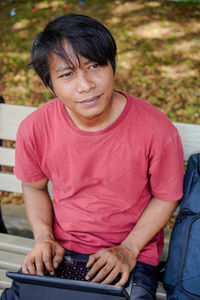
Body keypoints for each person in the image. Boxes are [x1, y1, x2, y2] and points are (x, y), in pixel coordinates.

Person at [1, 13, 184, 300]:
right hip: (61, 250)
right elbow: (34, 186)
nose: (85, 85)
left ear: (113, 66)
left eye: (94, 66)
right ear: (50, 85)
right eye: (66, 74)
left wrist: (129, 248)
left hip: (131, 253)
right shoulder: (36, 128)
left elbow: (167, 195)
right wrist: (43, 238)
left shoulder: (157, 130)